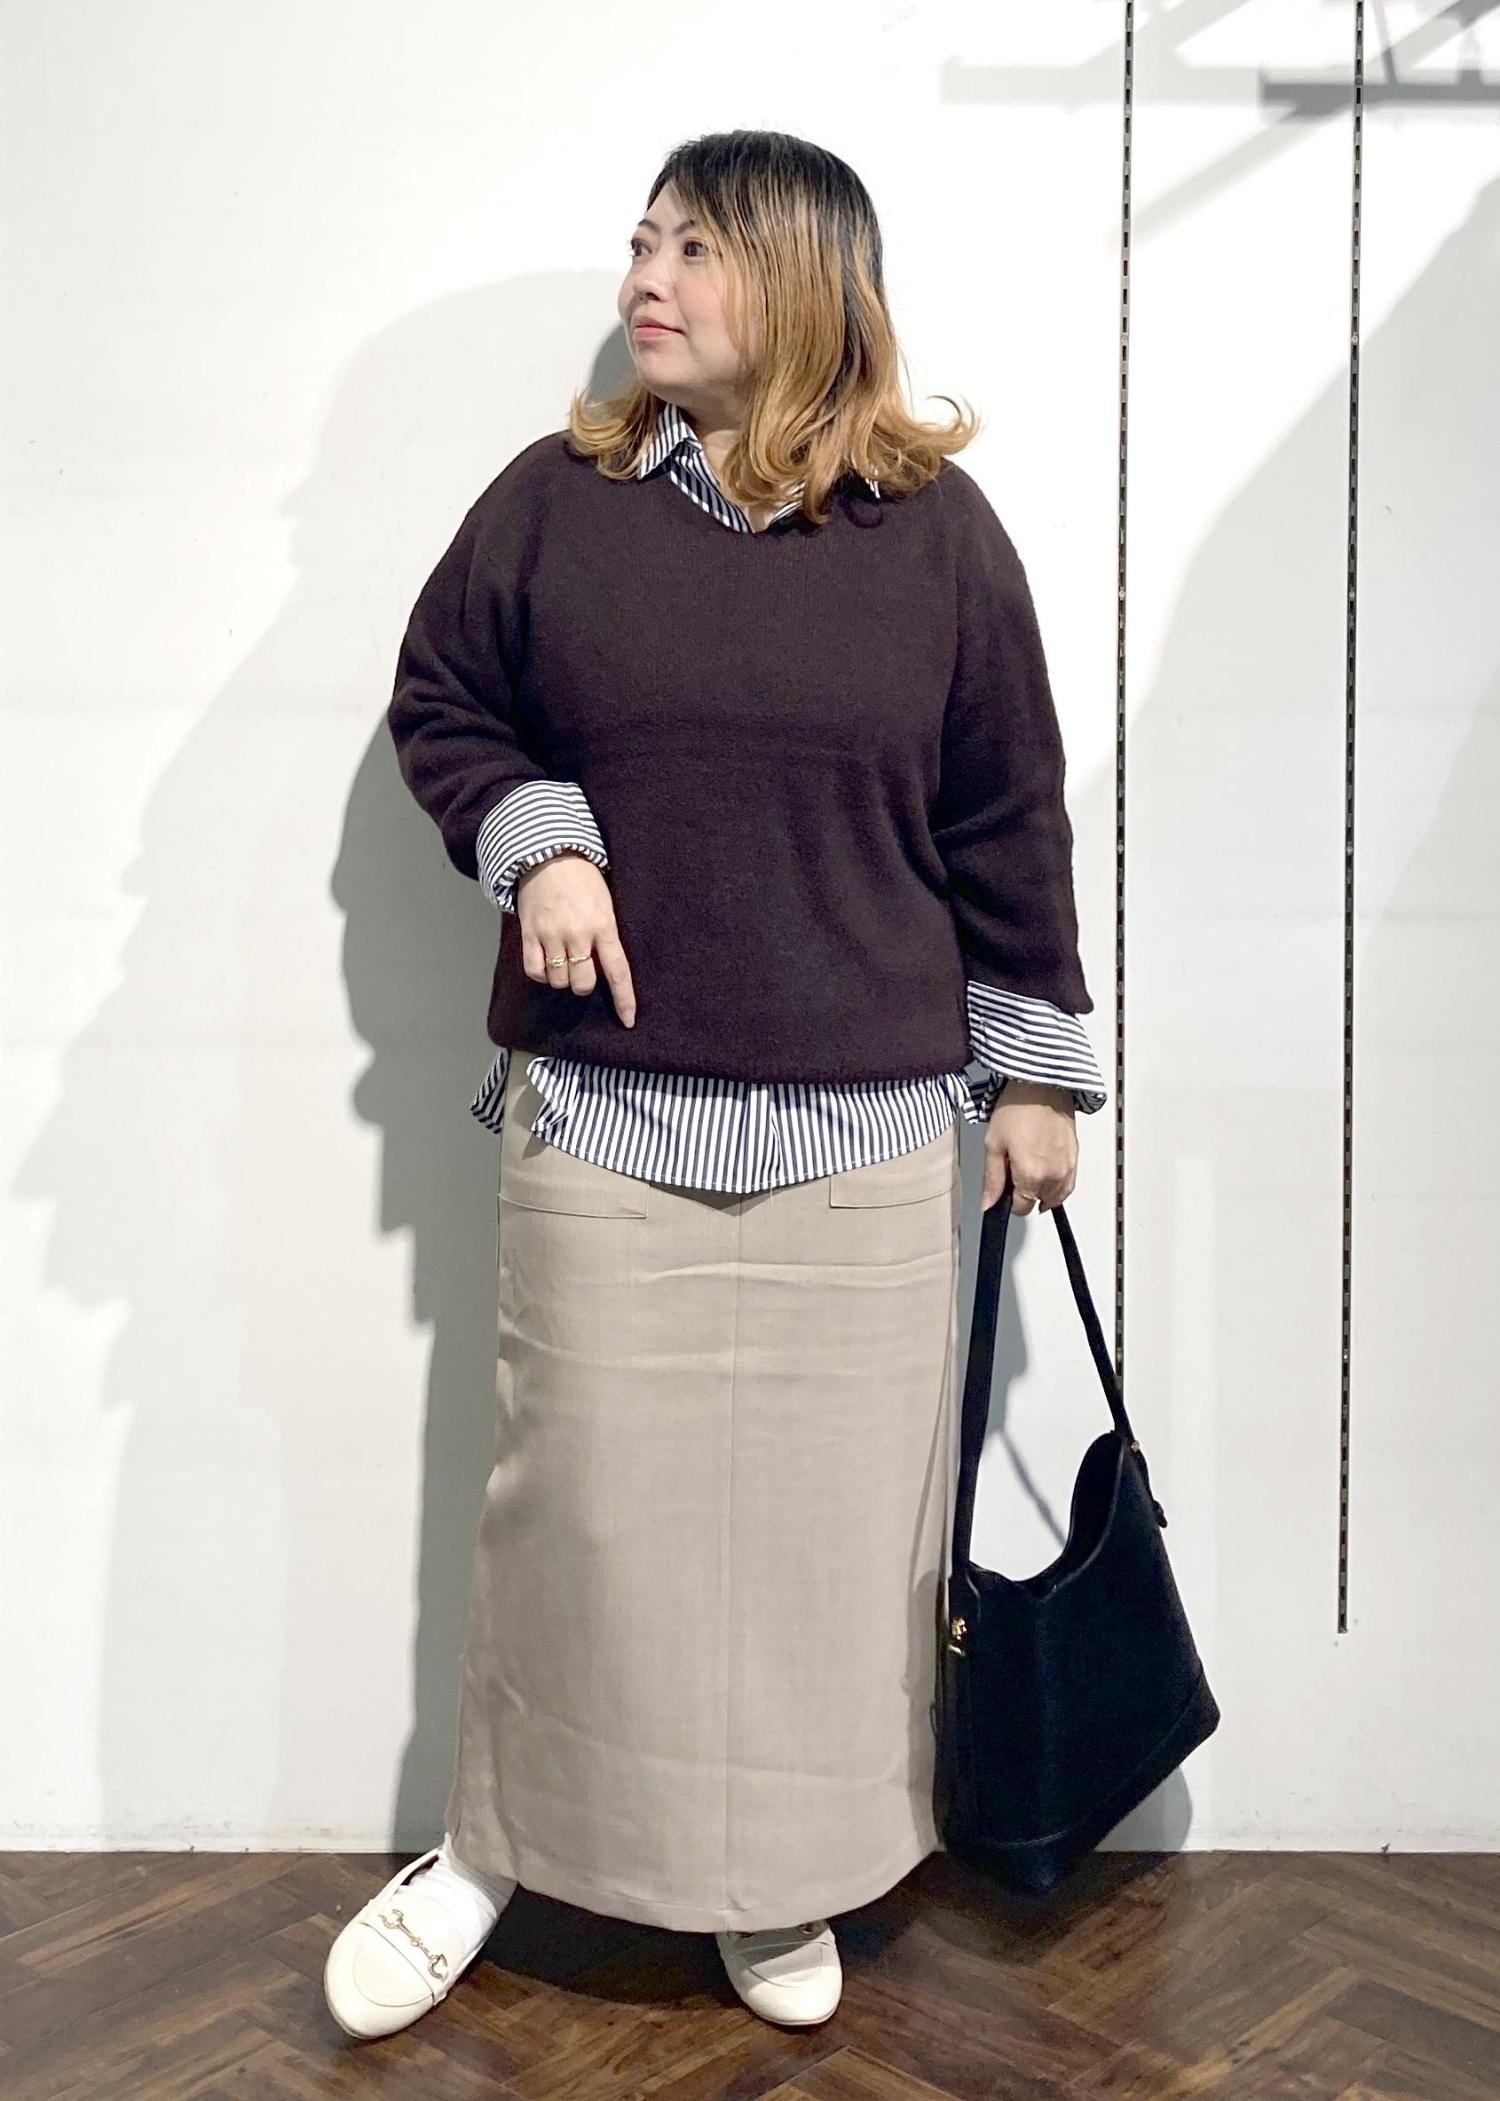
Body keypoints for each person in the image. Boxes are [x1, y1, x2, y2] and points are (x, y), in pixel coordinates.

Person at [325, 127, 1106, 2040]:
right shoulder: (555, 506)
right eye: (641, 243)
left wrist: (1037, 1078)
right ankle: (492, 1848)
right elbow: (444, 698)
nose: (642, 283)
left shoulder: (939, 537)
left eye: (692, 248)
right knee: (575, 1523)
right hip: (611, 1117)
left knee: (832, 1550)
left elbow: (1008, 815)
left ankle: (781, 1876)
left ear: (805, 280)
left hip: (864, 1136)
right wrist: (539, 840)